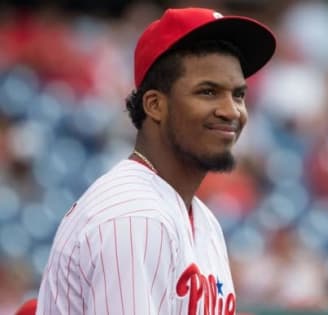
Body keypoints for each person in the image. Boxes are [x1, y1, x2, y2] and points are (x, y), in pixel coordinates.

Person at [35, 7, 275, 315]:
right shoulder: (135, 216)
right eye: (208, 92)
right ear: (155, 105)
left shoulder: (200, 218)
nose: (231, 111)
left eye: (238, 95)